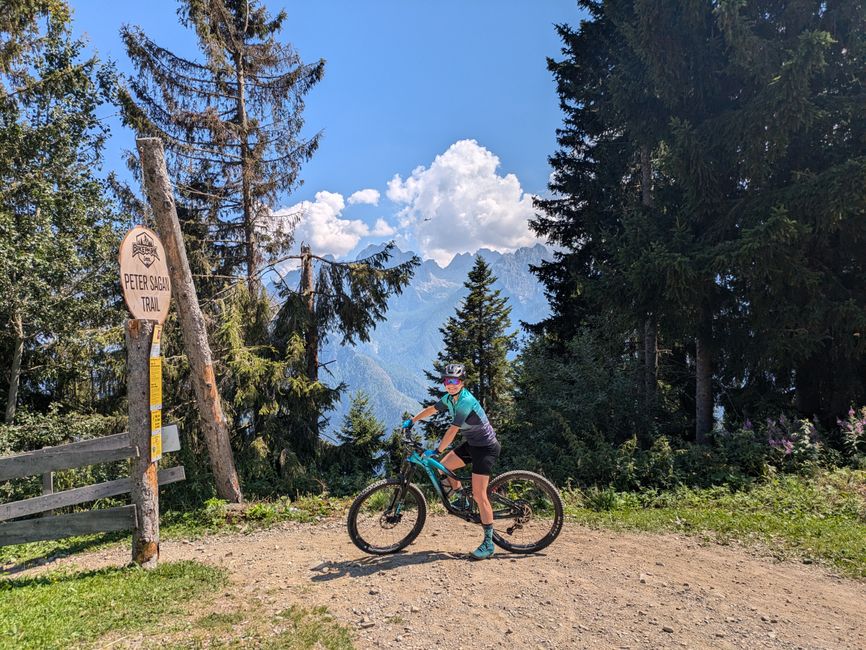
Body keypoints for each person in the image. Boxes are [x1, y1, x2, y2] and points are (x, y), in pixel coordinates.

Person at [403, 363, 501, 560]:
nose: (451, 385)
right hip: (472, 444)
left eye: (455, 381)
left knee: (480, 495)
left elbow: (453, 430)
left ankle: (489, 543)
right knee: (444, 467)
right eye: (448, 381)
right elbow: (432, 409)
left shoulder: (465, 401)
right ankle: (461, 498)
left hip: (486, 448)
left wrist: (437, 450)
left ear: (462, 382)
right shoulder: (449, 398)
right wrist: (413, 420)